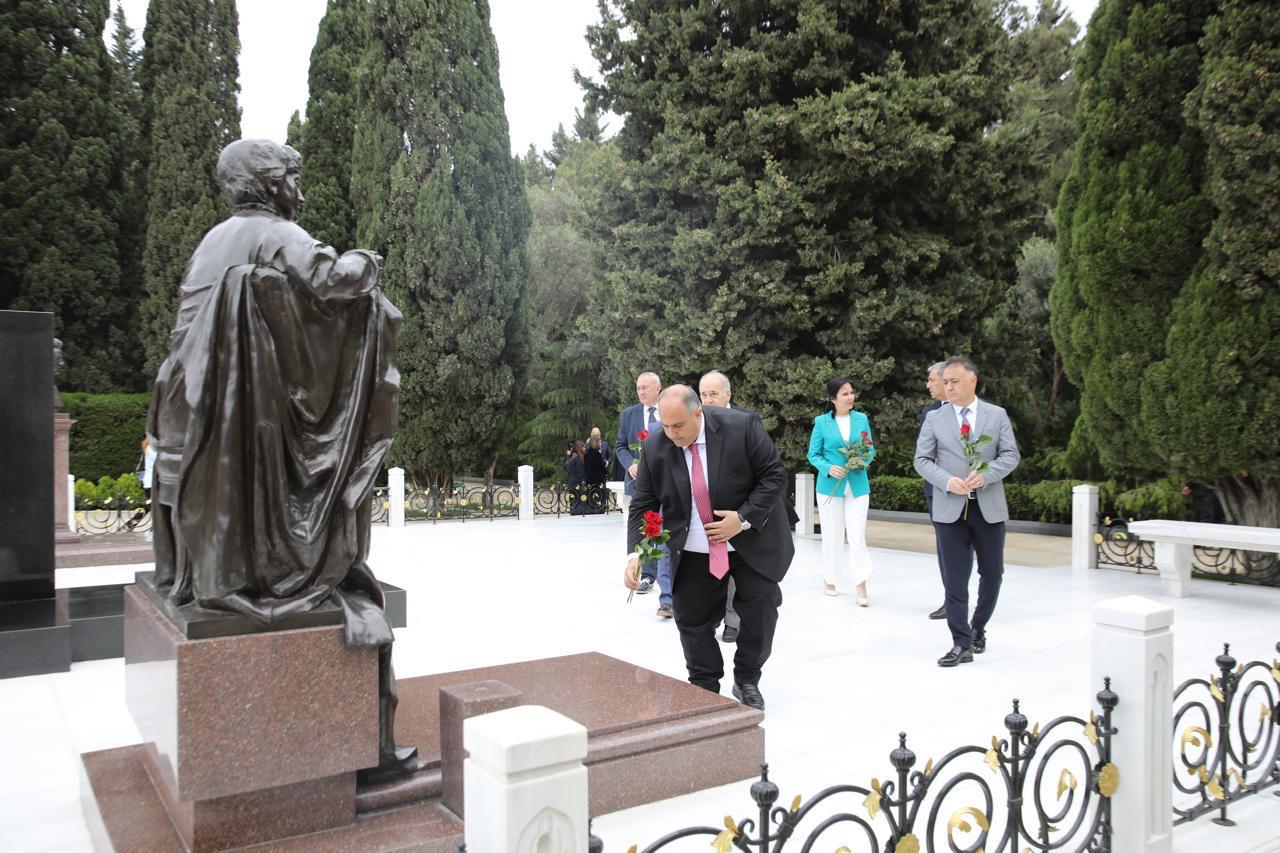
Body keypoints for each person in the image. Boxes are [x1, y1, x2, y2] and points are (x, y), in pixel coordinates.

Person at [146, 138, 413, 773]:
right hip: (235, 425)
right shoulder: (276, 233)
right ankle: (272, 569)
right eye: (294, 177)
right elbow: (333, 281)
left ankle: (214, 571)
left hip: (188, 413)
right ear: (270, 185)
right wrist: (365, 262)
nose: (301, 190)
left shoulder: (213, 239)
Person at [622, 386, 794, 711]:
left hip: (748, 543)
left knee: (759, 613)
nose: (672, 434)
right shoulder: (656, 445)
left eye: (679, 426)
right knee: (691, 621)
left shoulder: (741, 427)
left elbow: (774, 476)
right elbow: (646, 505)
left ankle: (746, 679)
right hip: (693, 550)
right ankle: (703, 684)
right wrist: (638, 553)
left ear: (698, 412)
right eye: (666, 426)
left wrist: (742, 519)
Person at [914, 356, 1020, 667]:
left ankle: (978, 628)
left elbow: (1010, 455)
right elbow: (921, 460)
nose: (948, 387)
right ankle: (960, 642)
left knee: (993, 574)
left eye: (954, 381)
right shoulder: (935, 418)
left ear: (973, 381)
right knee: (955, 580)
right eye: (945, 382)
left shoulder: (996, 415)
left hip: (988, 509)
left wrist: (987, 475)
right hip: (950, 510)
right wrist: (948, 482)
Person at [806, 376, 876, 604]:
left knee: (857, 536)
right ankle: (830, 579)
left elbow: (869, 449)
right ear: (833, 398)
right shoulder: (821, 422)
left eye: (851, 392)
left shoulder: (861, 419)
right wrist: (828, 468)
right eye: (844, 394)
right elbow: (813, 454)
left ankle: (861, 583)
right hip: (829, 488)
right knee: (832, 535)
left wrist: (861, 462)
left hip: (857, 486)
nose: (850, 397)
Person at [615, 371, 673, 618]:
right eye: (638, 387)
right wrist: (630, 464)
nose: (641, 391)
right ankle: (647, 574)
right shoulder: (629, 415)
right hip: (641, 482)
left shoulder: (670, 411)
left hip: (669, 482)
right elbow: (620, 445)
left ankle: (668, 583)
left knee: (664, 529)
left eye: (646, 387)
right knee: (647, 527)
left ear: (658, 388)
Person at [698, 370, 746, 642]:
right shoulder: (696, 423)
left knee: (734, 572)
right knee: (710, 571)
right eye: (703, 394)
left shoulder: (745, 422)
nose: (707, 400)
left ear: (728, 394)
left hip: (736, 514)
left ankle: (733, 621)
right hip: (704, 511)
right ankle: (713, 617)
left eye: (713, 394)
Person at [921, 362, 949, 620]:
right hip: (937, 492)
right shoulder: (929, 412)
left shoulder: (974, 412)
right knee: (946, 546)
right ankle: (950, 598)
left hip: (972, 490)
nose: (928, 385)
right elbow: (923, 455)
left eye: (931, 380)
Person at [584, 435, 608, 513]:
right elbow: (602, 467)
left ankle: (590, 508)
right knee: (600, 495)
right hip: (598, 479)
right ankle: (600, 508)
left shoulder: (586, 454)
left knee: (590, 495)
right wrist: (606, 472)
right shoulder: (597, 454)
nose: (601, 444)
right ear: (596, 443)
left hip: (589, 478)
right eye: (599, 442)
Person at [564, 439, 587, 515]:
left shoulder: (578, 457)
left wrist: (568, 456)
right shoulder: (577, 457)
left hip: (575, 482)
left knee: (575, 501)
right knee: (576, 500)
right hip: (576, 482)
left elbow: (567, 466)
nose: (584, 448)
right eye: (583, 447)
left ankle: (575, 511)